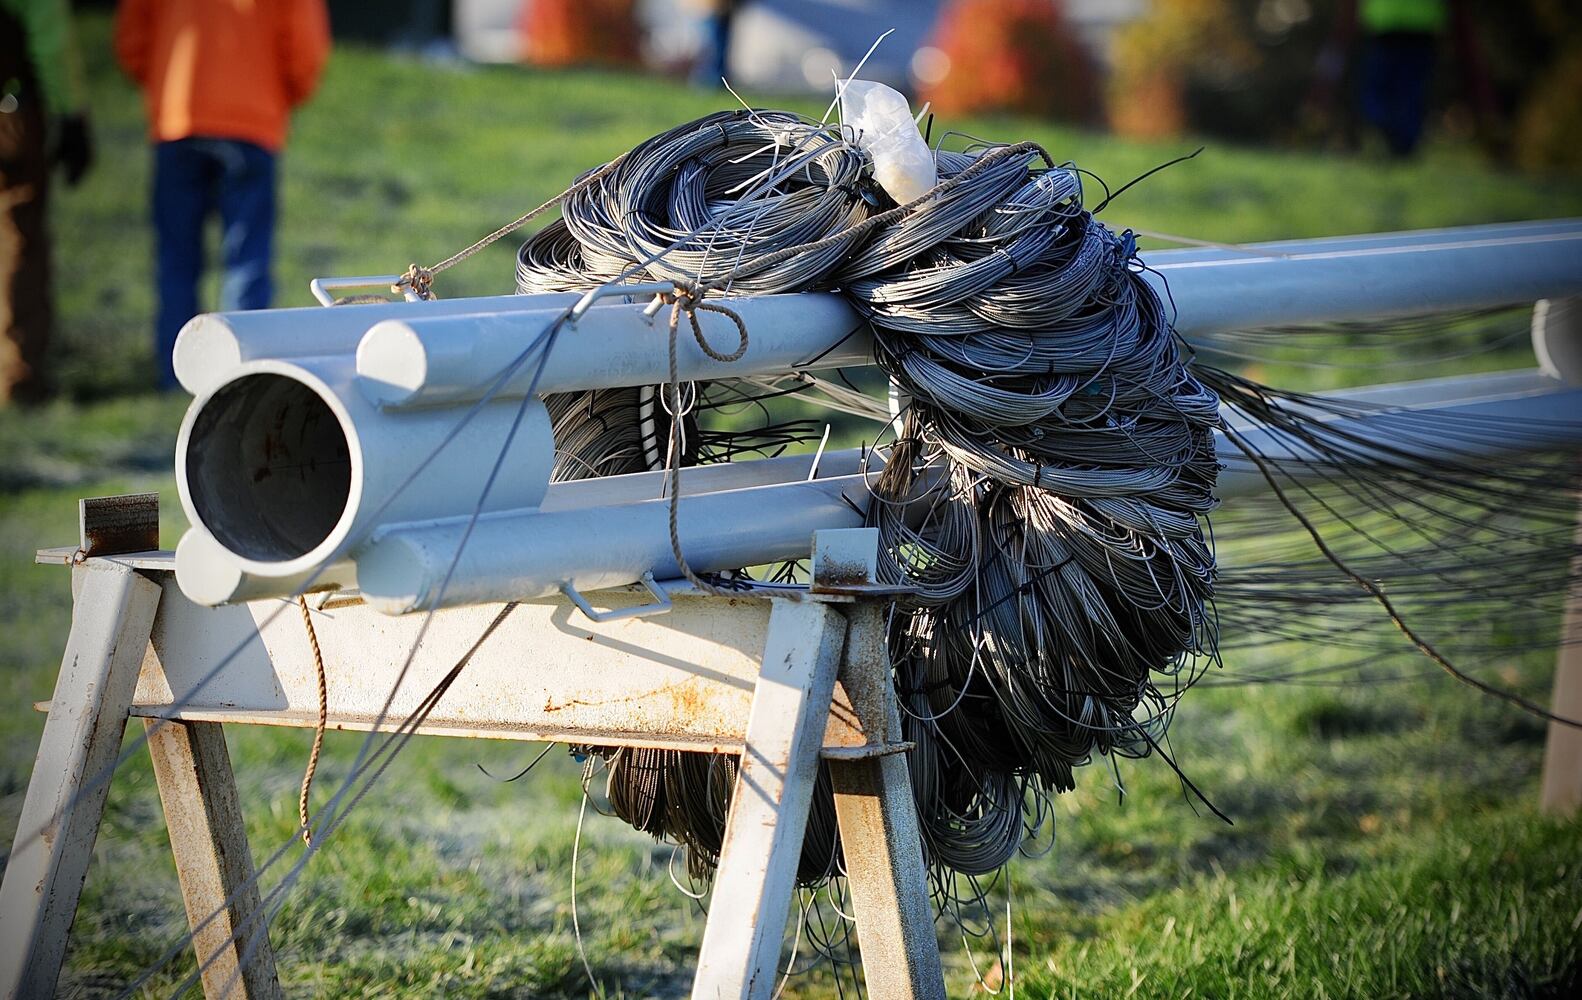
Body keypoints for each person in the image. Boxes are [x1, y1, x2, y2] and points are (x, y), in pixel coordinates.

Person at [114, 0, 331, 390]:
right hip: (252, 117)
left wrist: (163, 81)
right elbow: (305, 46)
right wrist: (284, 93)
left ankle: (175, 375)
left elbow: (133, 34)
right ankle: (238, 381)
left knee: (176, 260)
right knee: (246, 261)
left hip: (178, 113)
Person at [0, 0, 92, 405]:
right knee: (20, 236)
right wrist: (70, 112)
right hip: (11, 107)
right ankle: (20, 378)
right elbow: (48, 29)